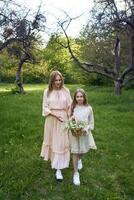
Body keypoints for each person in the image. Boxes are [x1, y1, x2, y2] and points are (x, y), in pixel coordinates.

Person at [40, 70, 72, 181]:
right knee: (53, 140)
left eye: (60, 80)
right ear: (52, 81)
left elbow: (70, 106)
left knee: (61, 142)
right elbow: (44, 107)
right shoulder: (47, 91)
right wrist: (54, 115)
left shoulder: (66, 90)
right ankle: (55, 161)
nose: (58, 82)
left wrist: (70, 118)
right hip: (51, 118)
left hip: (63, 119)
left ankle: (58, 169)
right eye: (56, 80)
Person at [69, 88, 97, 186]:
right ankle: (76, 173)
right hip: (75, 133)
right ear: (75, 98)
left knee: (83, 151)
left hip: (84, 133)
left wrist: (87, 128)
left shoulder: (89, 108)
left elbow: (91, 122)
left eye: (81, 96)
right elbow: (69, 118)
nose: (79, 98)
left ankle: (80, 160)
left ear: (84, 97)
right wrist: (71, 119)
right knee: (75, 152)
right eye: (77, 96)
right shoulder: (73, 107)